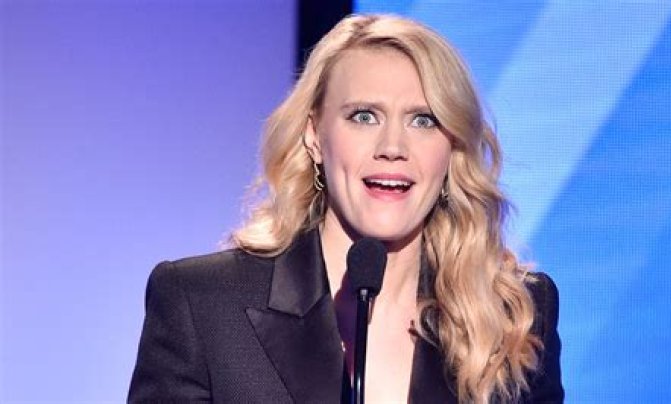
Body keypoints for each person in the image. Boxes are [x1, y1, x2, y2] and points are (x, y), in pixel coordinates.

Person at [128, 14, 563, 403]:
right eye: (364, 116)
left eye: (423, 120)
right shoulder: (203, 304)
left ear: (451, 148)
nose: (393, 147)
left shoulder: (514, 318)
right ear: (314, 136)